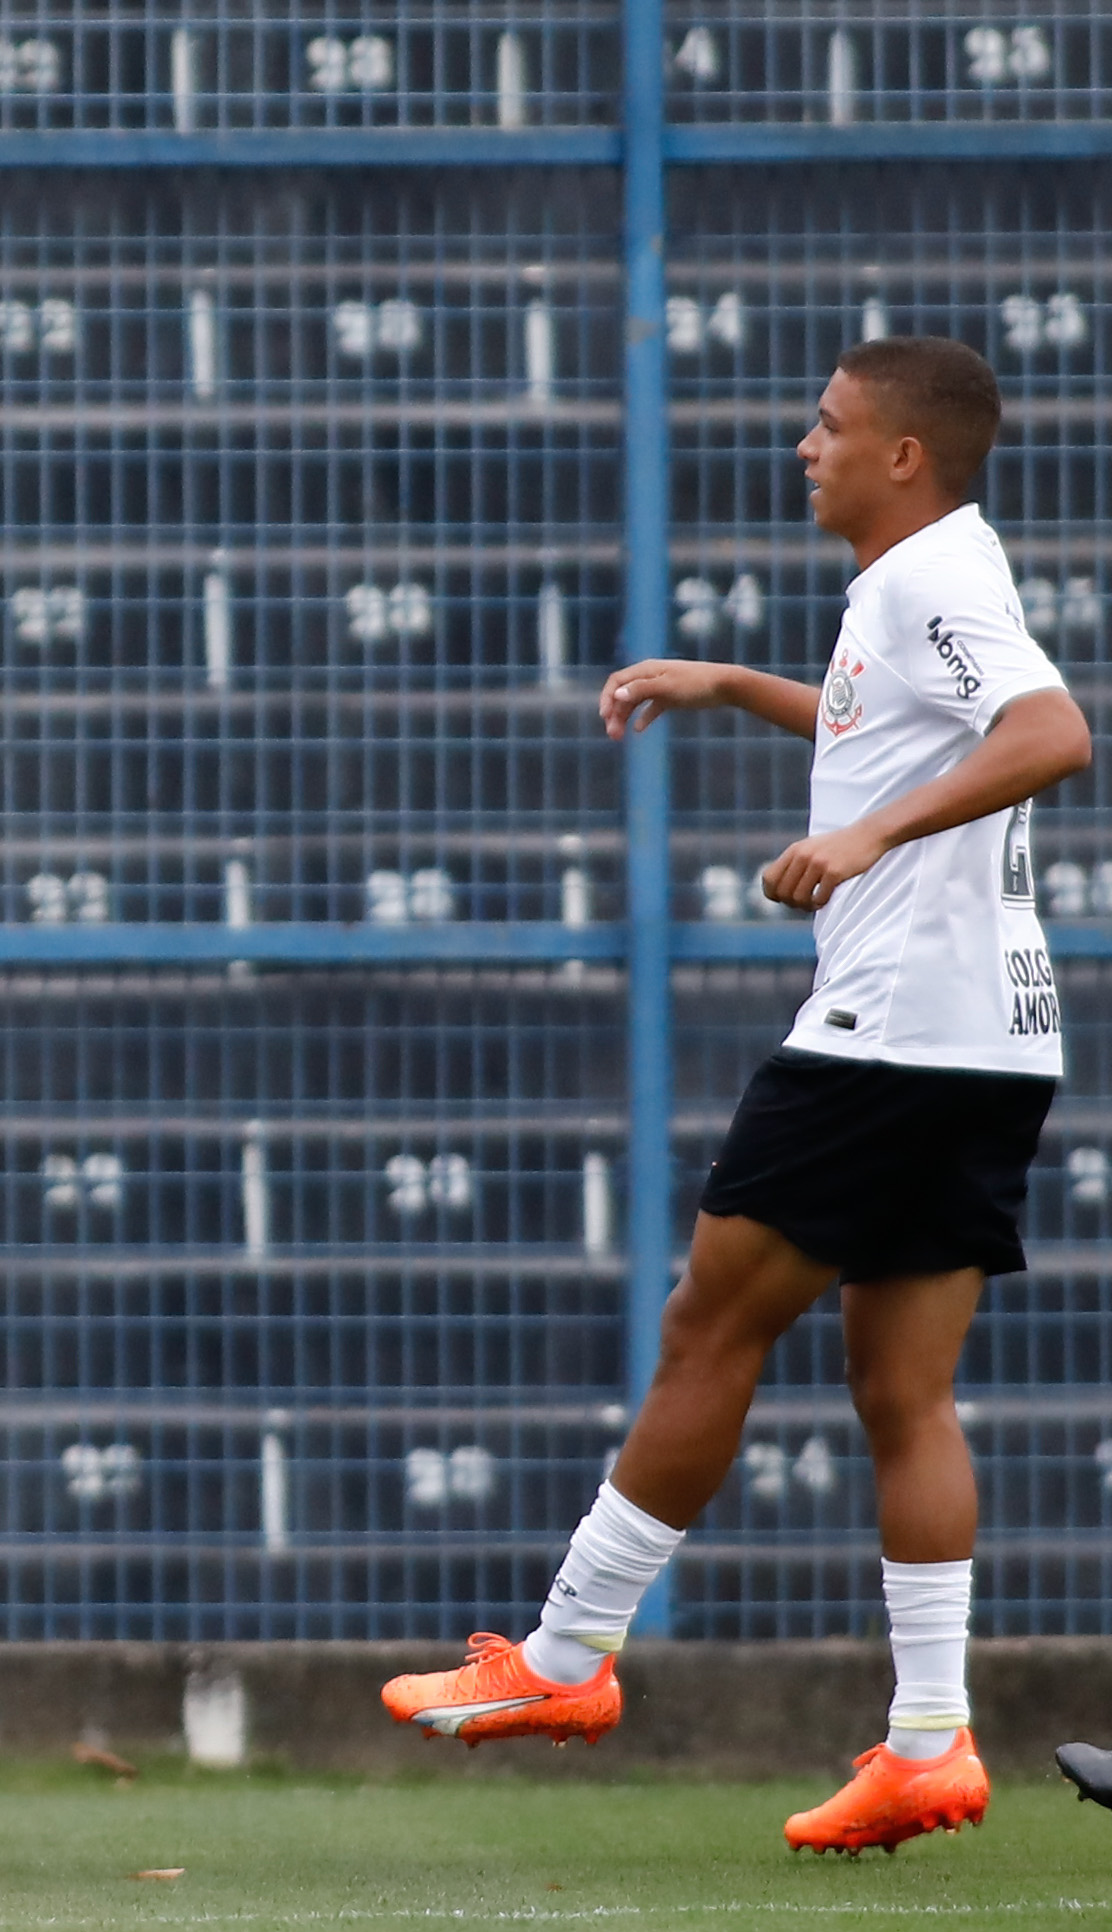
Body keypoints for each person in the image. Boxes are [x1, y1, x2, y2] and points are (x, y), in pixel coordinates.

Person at [379, 336, 1090, 1855]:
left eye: (828, 425)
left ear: (905, 453)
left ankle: (563, 1663)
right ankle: (928, 1743)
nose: (802, 445)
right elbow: (891, 730)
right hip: (989, 1036)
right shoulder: (925, 578)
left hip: (886, 1033)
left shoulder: (927, 582)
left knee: (713, 1322)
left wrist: (867, 841)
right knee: (905, 1392)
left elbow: (1051, 735)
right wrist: (729, 684)